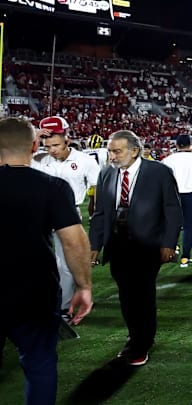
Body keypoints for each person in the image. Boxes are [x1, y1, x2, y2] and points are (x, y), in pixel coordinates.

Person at [0, 117, 93, 404]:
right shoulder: (53, 187)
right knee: (39, 365)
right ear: (34, 144)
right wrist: (84, 286)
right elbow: (74, 241)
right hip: (35, 292)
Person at [89, 130, 182, 366]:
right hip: (117, 244)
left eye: (117, 151)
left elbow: (172, 210)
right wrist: (94, 244)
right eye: (110, 150)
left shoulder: (159, 172)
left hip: (148, 244)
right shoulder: (106, 173)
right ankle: (135, 335)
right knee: (126, 294)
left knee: (143, 293)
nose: (112, 156)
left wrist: (169, 243)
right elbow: (100, 212)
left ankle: (141, 343)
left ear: (134, 151)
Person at [34, 115, 100, 319]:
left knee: (67, 263)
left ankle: (63, 308)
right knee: (36, 260)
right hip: (37, 214)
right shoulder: (37, 158)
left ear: (67, 139)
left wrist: (97, 211)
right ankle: (40, 303)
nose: (52, 150)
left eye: (56, 144)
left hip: (68, 212)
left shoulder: (85, 161)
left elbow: (98, 187)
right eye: (47, 146)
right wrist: (34, 138)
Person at [162, 134, 192, 268]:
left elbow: (163, 178)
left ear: (176, 145)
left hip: (173, 194)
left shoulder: (168, 159)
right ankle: (186, 257)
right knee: (188, 226)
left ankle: (172, 250)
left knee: (172, 224)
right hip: (190, 193)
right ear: (190, 144)